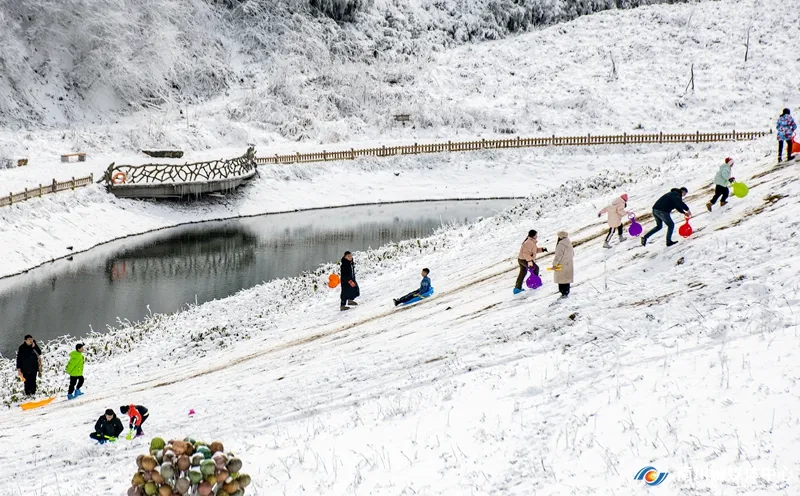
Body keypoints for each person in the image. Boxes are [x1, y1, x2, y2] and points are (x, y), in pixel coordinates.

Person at [514, 230, 547, 294]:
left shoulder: (531, 242)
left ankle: (517, 288)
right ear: (533, 236)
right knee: (535, 268)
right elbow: (525, 253)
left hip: (521, 259)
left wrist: (542, 249)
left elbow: (534, 250)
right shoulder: (529, 242)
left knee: (522, 273)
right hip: (524, 259)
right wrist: (529, 261)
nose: (537, 236)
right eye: (536, 235)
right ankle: (535, 284)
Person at [552, 231, 574, 298]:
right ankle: (566, 291)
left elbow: (558, 256)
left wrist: (554, 264)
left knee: (561, 279)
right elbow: (573, 254)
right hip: (569, 264)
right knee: (567, 279)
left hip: (561, 265)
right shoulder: (569, 243)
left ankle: (563, 292)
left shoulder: (560, 245)